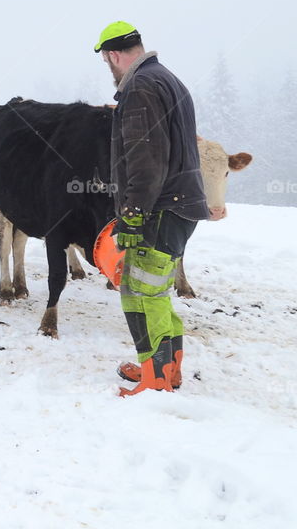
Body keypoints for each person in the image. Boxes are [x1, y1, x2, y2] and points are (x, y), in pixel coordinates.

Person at [94, 21, 210, 396]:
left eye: (106, 62)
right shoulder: (167, 79)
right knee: (155, 293)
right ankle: (166, 369)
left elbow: (146, 158)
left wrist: (132, 213)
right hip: (181, 204)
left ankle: (156, 380)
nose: (110, 70)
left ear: (112, 55)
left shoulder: (140, 87)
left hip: (160, 207)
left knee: (139, 293)